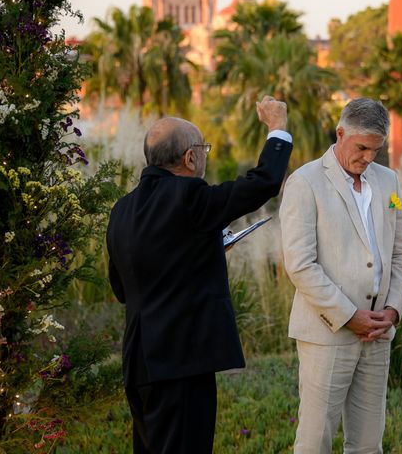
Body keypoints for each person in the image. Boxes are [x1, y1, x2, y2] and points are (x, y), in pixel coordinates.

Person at [106, 96, 292, 453]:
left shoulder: (123, 208)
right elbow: (263, 183)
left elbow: (123, 287)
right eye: (203, 148)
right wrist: (277, 128)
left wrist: (198, 253)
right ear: (190, 157)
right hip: (183, 363)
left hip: (139, 363)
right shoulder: (189, 196)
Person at [279, 98, 402, 453]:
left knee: (369, 442)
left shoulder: (389, 181)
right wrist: (349, 316)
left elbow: (401, 253)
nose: (369, 158)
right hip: (327, 334)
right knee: (314, 440)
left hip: (378, 335)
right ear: (340, 133)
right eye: (362, 147)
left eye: (376, 149)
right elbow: (300, 264)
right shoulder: (305, 182)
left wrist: (394, 310)